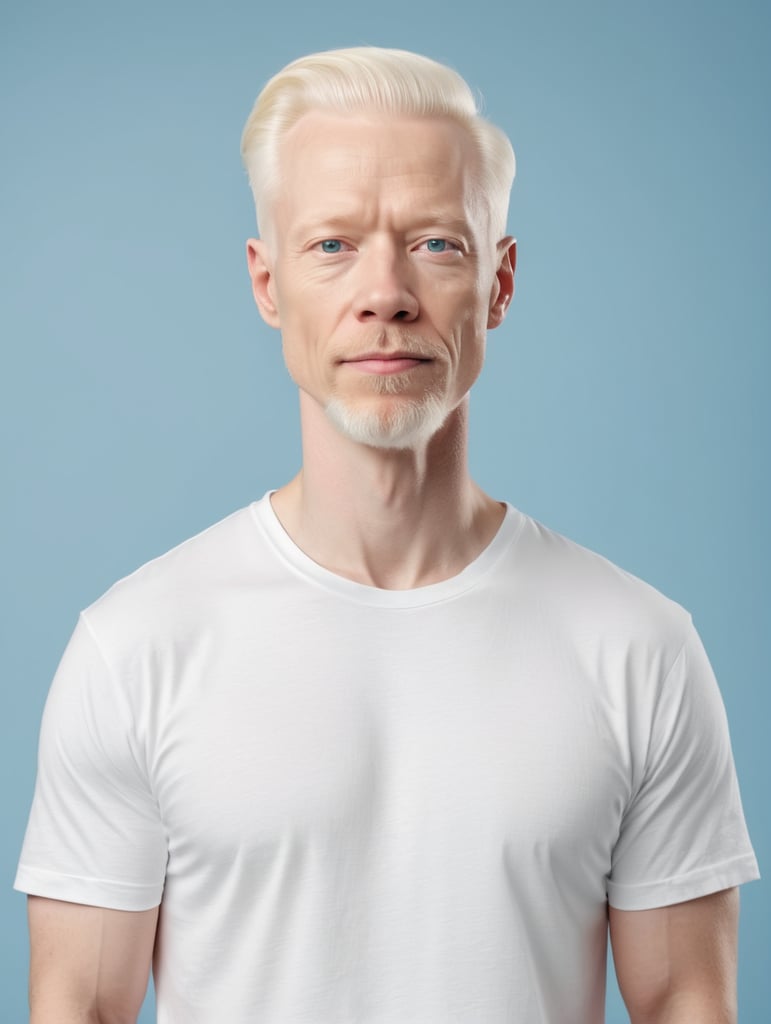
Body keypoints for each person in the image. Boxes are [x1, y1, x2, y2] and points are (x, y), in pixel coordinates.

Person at [16, 46, 759, 1024]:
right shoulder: (136, 648)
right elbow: (82, 1006)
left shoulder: (639, 648)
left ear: (499, 284)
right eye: (332, 245)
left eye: (436, 245)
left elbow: (683, 1003)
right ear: (266, 282)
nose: (386, 293)